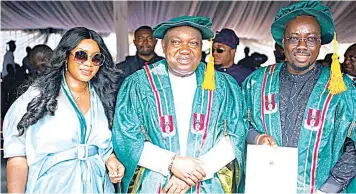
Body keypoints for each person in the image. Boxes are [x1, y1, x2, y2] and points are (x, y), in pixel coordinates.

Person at [112, 16, 247, 193]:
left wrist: (194, 174)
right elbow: (126, 136)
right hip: (156, 183)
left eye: (193, 43)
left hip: (207, 182)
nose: (185, 50)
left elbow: (236, 133)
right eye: (176, 42)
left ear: (202, 48)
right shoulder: (138, 84)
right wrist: (171, 162)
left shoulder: (223, 85)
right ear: (163, 46)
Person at [242, 1, 356, 193]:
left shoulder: (342, 88)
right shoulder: (257, 81)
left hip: (318, 189)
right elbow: (238, 123)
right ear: (283, 43)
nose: (302, 46)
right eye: (294, 38)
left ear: (321, 43)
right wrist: (257, 137)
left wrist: (329, 188)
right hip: (264, 186)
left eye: (311, 39)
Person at [3, 27, 125, 193]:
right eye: (81, 55)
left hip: (97, 187)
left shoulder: (104, 97)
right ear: (66, 56)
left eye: (96, 58)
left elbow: (102, 146)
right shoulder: (37, 96)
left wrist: (110, 159)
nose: (88, 63)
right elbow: (17, 155)